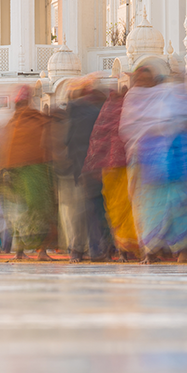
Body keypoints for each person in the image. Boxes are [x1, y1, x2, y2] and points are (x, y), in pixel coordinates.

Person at [120, 62, 187, 264]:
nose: (142, 81)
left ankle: (182, 252)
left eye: (146, 77)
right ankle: (150, 252)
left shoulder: (165, 93)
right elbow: (127, 129)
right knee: (146, 206)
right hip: (143, 160)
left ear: (154, 79)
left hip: (169, 157)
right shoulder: (133, 98)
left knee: (179, 202)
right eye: (139, 78)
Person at [84, 85, 140, 262]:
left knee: (119, 207)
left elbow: (96, 139)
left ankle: (125, 249)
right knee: (127, 206)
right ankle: (127, 248)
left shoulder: (106, 112)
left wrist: (94, 163)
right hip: (123, 166)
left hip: (115, 167)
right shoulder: (130, 109)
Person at [2, 85, 57, 261]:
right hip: (35, 174)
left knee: (20, 213)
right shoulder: (36, 119)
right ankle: (39, 251)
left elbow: (5, 151)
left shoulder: (14, 123)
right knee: (39, 211)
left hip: (23, 174)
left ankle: (22, 251)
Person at [58, 78, 110, 263]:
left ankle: (78, 250)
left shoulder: (73, 113)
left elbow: (66, 141)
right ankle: (95, 249)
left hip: (79, 168)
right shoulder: (96, 112)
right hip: (94, 166)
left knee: (81, 212)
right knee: (94, 209)